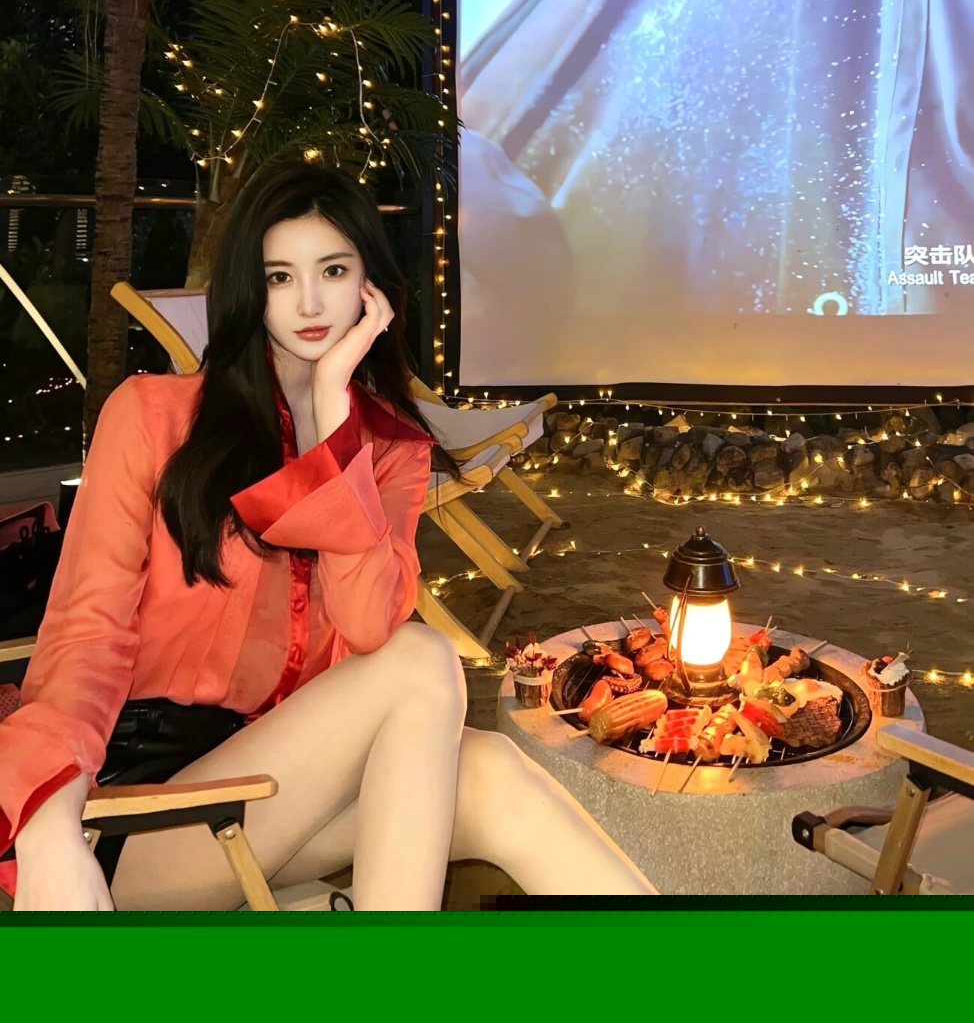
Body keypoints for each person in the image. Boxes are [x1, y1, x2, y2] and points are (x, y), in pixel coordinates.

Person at [0, 162, 656, 910]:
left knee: (495, 773)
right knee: (422, 657)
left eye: (333, 271)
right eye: (280, 277)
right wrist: (48, 828)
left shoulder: (387, 448)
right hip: (138, 804)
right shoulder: (152, 415)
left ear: (368, 287)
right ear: (250, 290)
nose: (309, 303)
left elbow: (367, 624)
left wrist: (329, 425)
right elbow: (86, 633)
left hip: (279, 788)